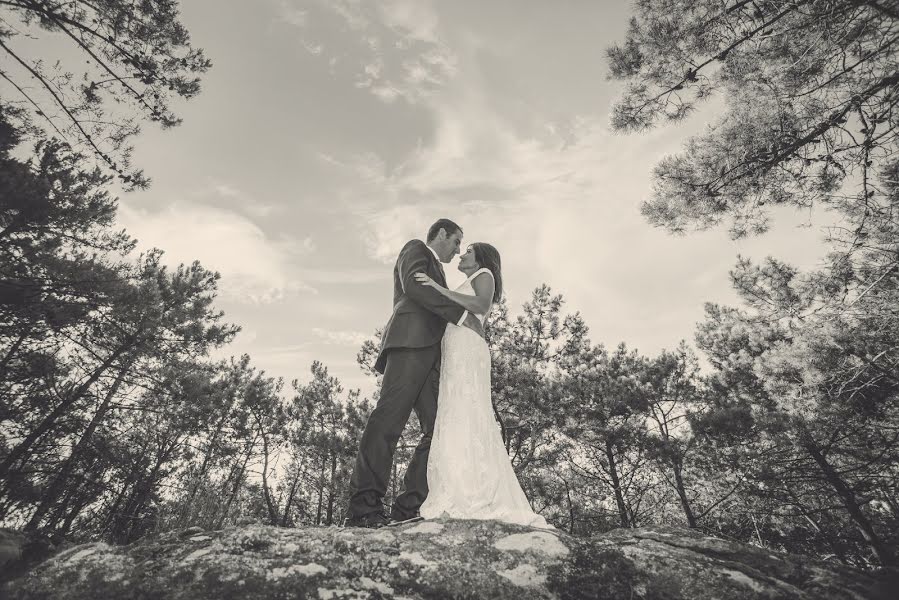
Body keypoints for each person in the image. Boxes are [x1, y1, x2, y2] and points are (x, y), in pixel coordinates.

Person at [344, 218, 485, 528]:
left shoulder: (441, 275)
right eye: (456, 241)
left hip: (431, 354)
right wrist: (462, 316)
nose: (458, 249)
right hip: (409, 343)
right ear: (441, 234)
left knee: (439, 429)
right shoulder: (416, 249)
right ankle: (363, 507)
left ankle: (409, 508)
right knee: (388, 421)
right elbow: (414, 284)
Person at [414, 242, 551, 528]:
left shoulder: (484, 274)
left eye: (467, 252)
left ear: (480, 260)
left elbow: (481, 305)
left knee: (469, 412)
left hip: (468, 350)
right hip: (454, 352)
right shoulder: (468, 279)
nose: (462, 255)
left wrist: (437, 289)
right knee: (454, 414)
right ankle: (457, 487)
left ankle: (478, 493)